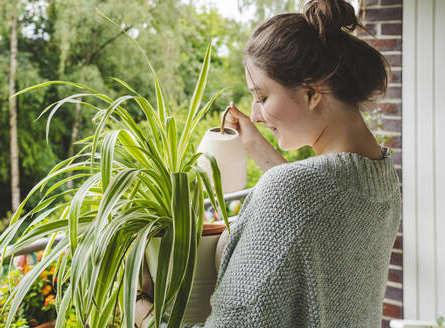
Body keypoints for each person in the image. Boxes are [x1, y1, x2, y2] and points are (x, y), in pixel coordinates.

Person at [135, 0, 402, 326]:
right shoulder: (380, 176)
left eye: (262, 96)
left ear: (312, 92)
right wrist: (254, 144)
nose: (257, 114)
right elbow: (316, 212)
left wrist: (142, 312)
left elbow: (297, 202)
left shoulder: (292, 193)